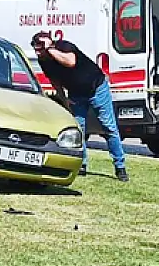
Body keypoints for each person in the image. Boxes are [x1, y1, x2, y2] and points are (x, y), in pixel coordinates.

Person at [32, 31, 129, 182]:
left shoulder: (64, 46)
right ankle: (81, 164)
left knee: (108, 127)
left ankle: (120, 167)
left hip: (97, 88)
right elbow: (55, 81)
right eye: (36, 48)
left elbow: (71, 62)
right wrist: (64, 100)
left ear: (50, 44)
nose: (38, 52)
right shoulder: (43, 61)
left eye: (41, 47)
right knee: (79, 129)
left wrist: (50, 49)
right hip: (76, 94)